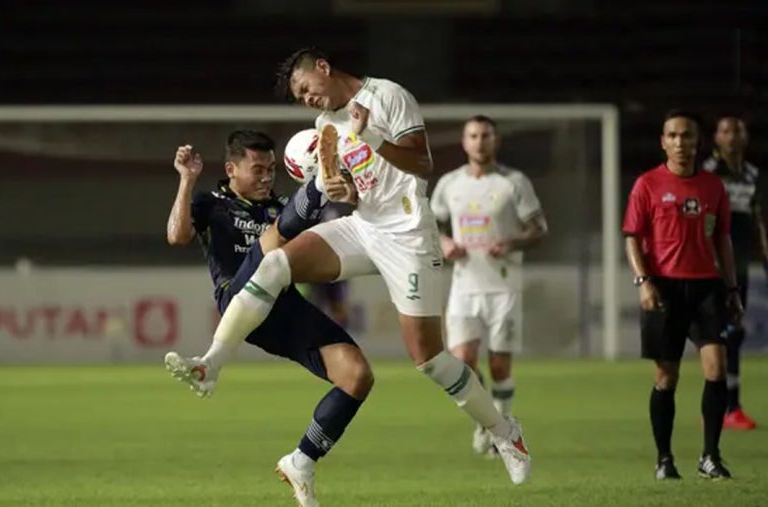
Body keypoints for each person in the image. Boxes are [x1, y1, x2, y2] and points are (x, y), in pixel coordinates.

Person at [164, 47, 531, 486]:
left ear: (323, 67)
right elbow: (354, 192)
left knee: (429, 359)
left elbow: (422, 162)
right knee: (277, 262)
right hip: (365, 227)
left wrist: (368, 136)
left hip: (409, 233)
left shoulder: (389, 96)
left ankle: (506, 433)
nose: (308, 100)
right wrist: (338, 185)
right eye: (300, 98)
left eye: (306, 88)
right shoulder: (326, 127)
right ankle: (212, 363)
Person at [164, 130, 370, 507]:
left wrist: (352, 193)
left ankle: (301, 460)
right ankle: (212, 362)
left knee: (357, 376)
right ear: (231, 169)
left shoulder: (282, 205)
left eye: (271, 169)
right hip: (238, 298)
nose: (266, 177)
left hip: (283, 308)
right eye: (257, 169)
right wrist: (187, 180)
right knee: (277, 238)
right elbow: (177, 236)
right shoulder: (212, 202)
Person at [623, 110, 743, 480]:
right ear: (663, 142)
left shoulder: (713, 187)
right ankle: (664, 459)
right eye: (672, 136)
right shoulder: (647, 185)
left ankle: (710, 457)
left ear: (697, 141)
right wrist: (644, 283)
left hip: (706, 286)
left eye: (686, 136)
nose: (680, 142)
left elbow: (722, 238)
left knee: (717, 369)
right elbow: (632, 237)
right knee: (666, 377)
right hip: (665, 288)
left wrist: (732, 287)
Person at [430, 116, 547, 457]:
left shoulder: (514, 182)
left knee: (499, 366)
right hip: (464, 286)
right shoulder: (449, 184)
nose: (480, 141)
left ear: (495, 141)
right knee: (462, 362)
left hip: (504, 286)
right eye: (473, 136)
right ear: (464, 142)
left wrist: (512, 242)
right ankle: (489, 423)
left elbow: (538, 228)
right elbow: (428, 224)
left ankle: (504, 427)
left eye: (486, 135)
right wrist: (444, 241)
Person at [703, 115, 763, 430]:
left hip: (738, 265)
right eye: (725, 130)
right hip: (711, 266)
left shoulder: (753, 175)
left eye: (737, 130)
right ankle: (725, 407)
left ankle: (728, 407)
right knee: (720, 335)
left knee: (733, 335)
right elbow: (705, 223)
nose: (732, 136)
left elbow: (759, 220)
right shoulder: (709, 175)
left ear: (746, 136)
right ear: (716, 137)